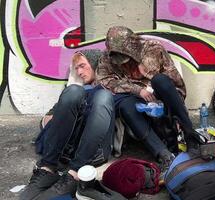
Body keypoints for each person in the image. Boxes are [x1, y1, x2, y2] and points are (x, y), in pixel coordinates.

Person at [96, 26, 204, 173]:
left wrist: (150, 78)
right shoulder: (107, 58)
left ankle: (191, 138)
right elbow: (104, 81)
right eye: (121, 62)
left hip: (163, 100)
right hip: (137, 102)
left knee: (160, 80)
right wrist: (137, 90)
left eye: (128, 60)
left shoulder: (154, 49)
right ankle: (163, 154)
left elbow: (176, 85)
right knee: (125, 105)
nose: (125, 65)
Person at [20, 49, 115, 200]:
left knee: (103, 96)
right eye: (76, 68)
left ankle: (74, 174)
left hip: (93, 151)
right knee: (73, 91)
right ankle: (47, 168)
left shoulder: (113, 87)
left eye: (83, 66)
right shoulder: (77, 90)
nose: (79, 71)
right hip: (66, 149)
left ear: (96, 64)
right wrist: (59, 116)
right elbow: (46, 120)